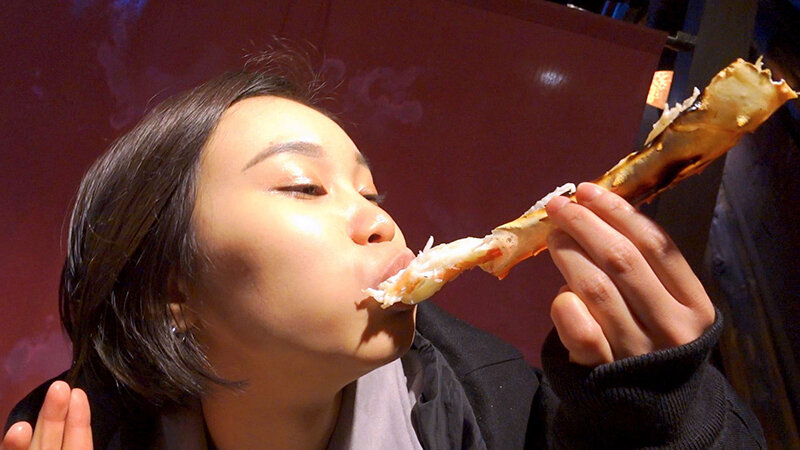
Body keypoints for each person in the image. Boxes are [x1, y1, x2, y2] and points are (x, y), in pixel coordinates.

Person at [2, 52, 766, 449]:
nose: (380, 223)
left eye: (371, 193)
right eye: (304, 187)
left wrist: (672, 420)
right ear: (171, 286)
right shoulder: (72, 434)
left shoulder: (502, 412)